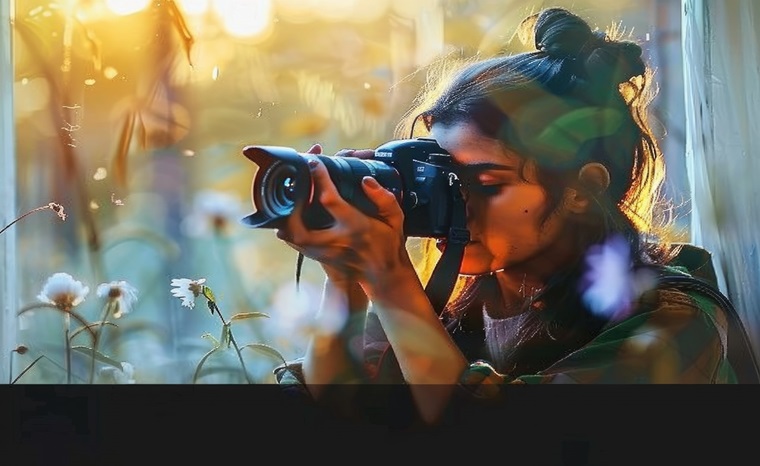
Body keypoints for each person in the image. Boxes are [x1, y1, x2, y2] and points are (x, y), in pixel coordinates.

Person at [255, 7, 755, 426]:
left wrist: (388, 276)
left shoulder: (678, 320)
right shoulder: (467, 303)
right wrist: (344, 272)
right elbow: (333, 407)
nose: (457, 201)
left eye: (485, 184)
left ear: (584, 190)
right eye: (446, 176)